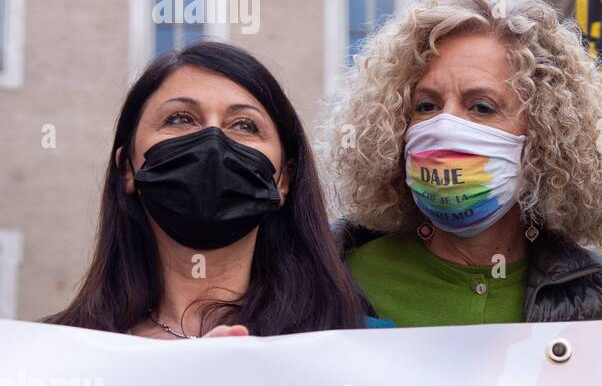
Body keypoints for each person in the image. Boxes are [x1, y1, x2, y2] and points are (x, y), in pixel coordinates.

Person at [325, 0, 602, 326]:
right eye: (426, 105)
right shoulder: (334, 277)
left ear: (544, 133)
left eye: (481, 107)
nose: (445, 127)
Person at [47, 41, 381, 337]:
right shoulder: (54, 356)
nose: (212, 141)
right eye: (180, 118)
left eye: (244, 125)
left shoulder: (361, 346)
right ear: (127, 169)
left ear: (283, 180)